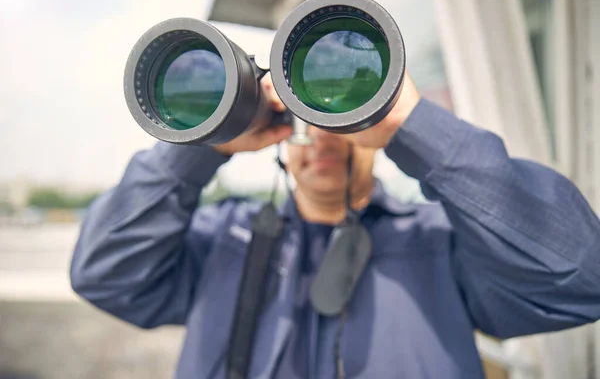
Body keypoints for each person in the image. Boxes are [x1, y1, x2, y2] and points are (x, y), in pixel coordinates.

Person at [70, 73, 600, 379]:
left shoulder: (443, 241)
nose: (321, 138)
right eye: (302, 125)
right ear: (280, 146)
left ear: (371, 135)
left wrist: (414, 127)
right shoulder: (220, 239)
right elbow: (106, 273)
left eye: (338, 122)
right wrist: (197, 150)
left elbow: (578, 276)